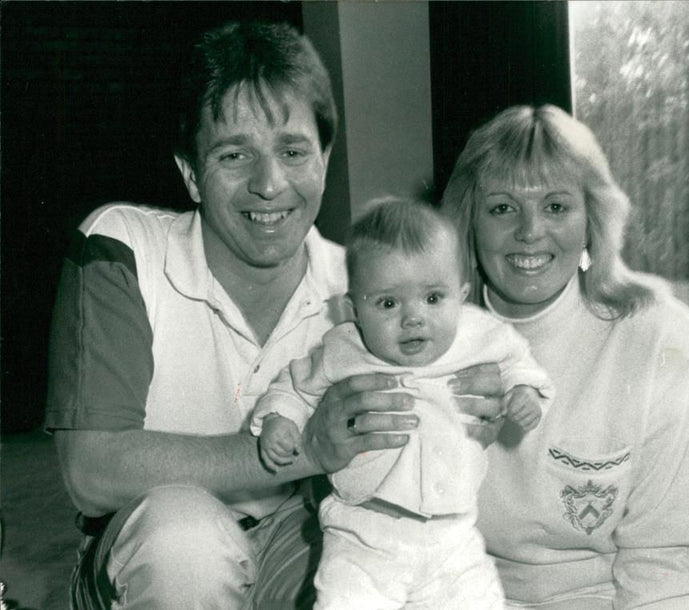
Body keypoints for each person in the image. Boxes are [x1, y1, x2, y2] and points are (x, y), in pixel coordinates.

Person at [45, 22, 501, 608]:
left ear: (326, 159)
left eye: (293, 151)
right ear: (190, 173)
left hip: (302, 534)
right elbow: (91, 470)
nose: (269, 184)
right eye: (234, 154)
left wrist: (473, 402)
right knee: (184, 544)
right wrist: (307, 447)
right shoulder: (123, 248)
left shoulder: (360, 286)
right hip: (149, 557)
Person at [440, 104, 689, 609]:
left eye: (556, 206)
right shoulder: (421, 343)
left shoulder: (663, 340)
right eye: (502, 207)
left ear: (593, 219)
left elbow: (664, 561)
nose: (529, 231)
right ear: (468, 224)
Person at [252, 198, 554, 609]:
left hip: (453, 540)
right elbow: (294, 387)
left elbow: (520, 362)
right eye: (388, 303)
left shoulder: (480, 335)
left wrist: (524, 393)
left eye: (433, 298)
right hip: (364, 535)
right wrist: (277, 420)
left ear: (461, 295)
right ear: (354, 308)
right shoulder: (344, 348)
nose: (413, 318)